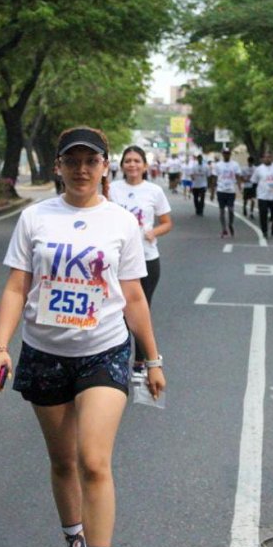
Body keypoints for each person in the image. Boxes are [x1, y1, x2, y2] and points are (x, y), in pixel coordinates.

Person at [0, 126, 166, 547]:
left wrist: (151, 358)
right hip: (43, 351)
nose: (82, 169)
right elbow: (15, 287)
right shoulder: (34, 218)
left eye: (91, 160)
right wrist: (0, 348)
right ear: (59, 167)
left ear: (104, 166)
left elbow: (132, 296)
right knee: (63, 461)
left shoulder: (121, 222)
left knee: (92, 459)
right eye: (73, 161)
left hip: (104, 349)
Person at [108, 145, 173, 378]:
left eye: (137, 161)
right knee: (118, 310)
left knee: (140, 309)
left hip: (147, 258)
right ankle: (116, 358)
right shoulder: (112, 189)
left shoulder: (154, 191)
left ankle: (140, 362)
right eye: (128, 161)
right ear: (121, 165)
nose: (132, 165)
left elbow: (167, 222)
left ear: (145, 166)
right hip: (116, 260)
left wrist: (154, 232)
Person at [251, 151, 273, 238]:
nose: (267, 159)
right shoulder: (259, 169)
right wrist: (253, 195)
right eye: (265, 157)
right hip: (262, 196)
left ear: (272, 158)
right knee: (263, 213)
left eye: (269, 157)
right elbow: (254, 182)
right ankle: (264, 231)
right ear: (263, 159)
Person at [213, 148, 243, 238]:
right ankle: (223, 228)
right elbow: (214, 177)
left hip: (231, 190)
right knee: (222, 211)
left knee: (231, 209)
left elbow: (238, 176)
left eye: (228, 153)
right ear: (223, 154)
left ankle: (230, 224)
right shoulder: (218, 165)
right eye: (225, 153)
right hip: (221, 190)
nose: (226, 155)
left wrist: (239, 187)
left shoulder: (235, 165)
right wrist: (212, 191)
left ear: (230, 154)